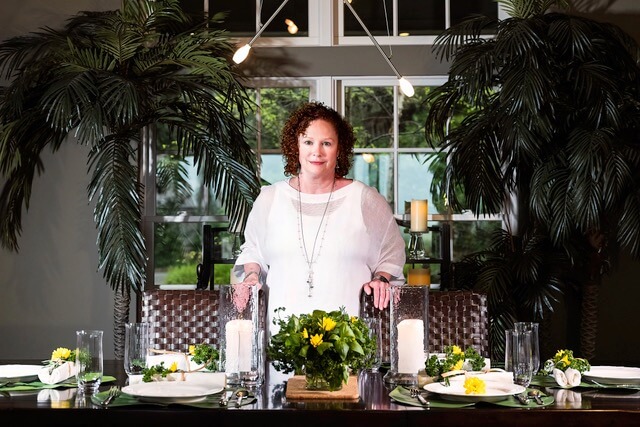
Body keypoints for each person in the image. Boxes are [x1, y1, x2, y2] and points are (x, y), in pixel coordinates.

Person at [232, 101, 406, 332]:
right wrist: (252, 275)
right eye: (308, 142)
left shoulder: (365, 199)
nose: (317, 151)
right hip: (281, 337)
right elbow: (253, 250)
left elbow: (391, 255)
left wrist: (381, 280)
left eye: (327, 143)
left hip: (348, 339)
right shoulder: (269, 198)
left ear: (339, 148)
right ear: (296, 146)